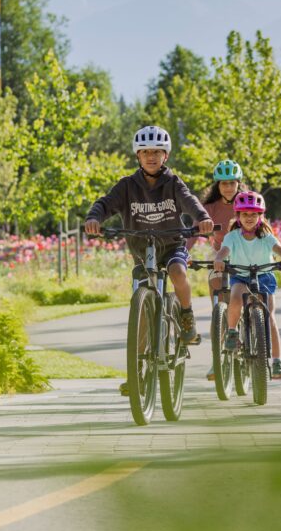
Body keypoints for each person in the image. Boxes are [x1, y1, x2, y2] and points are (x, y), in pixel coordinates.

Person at [84, 126, 213, 393]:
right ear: (138, 156)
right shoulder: (127, 186)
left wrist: (202, 219)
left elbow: (190, 201)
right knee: (140, 309)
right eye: (145, 152)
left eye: (157, 152)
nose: (151, 157)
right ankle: (137, 374)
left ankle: (186, 316)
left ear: (165, 156)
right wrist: (94, 218)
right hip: (143, 253)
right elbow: (105, 203)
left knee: (178, 272)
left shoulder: (173, 183)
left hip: (170, 245)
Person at [213, 191, 281, 380]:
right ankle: (232, 332)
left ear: (260, 216)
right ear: (238, 216)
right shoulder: (233, 236)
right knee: (235, 298)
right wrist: (219, 259)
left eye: (253, 214)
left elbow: (278, 248)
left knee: (269, 317)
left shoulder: (265, 236)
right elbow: (224, 250)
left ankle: (276, 362)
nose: (249, 218)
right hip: (240, 276)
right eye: (245, 214)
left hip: (264, 276)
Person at [187, 159, 246, 380]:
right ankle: (217, 360)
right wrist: (185, 253)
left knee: (249, 298)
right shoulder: (209, 209)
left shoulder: (247, 203)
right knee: (218, 305)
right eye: (223, 184)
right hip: (220, 256)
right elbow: (194, 232)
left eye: (232, 183)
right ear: (217, 186)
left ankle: (252, 332)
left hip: (246, 255)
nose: (228, 187)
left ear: (239, 183)